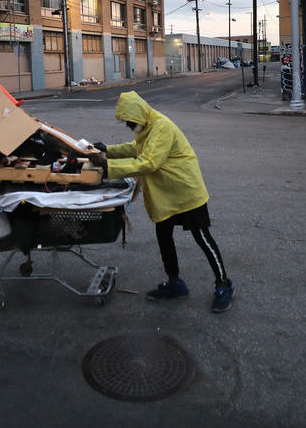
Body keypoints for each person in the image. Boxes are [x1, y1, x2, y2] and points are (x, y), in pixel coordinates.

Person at [90, 91, 233, 313]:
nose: (129, 126)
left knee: (203, 238)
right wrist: (107, 149)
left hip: (185, 191)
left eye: (130, 122)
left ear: (139, 115)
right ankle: (175, 283)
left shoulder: (161, 126)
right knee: (163, 236)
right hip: (166, 195)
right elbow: (135, 148)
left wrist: (108, 166)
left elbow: (148, 162)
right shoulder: (146, 126)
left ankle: (224, 285)